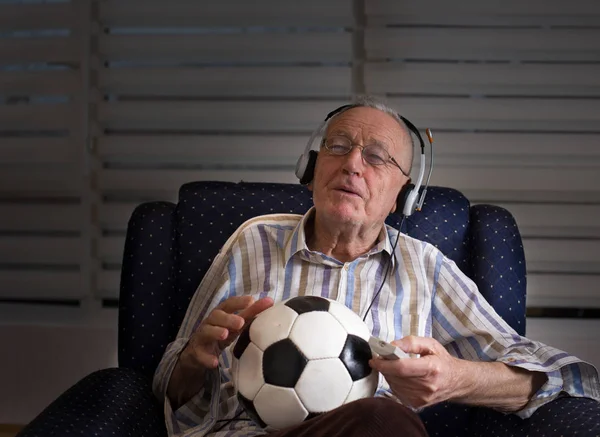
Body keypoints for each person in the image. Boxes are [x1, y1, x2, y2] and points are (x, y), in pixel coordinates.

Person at [153, 96, 600, 437]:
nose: (351, 164)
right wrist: (194, 359)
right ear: (311, 167)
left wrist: (455, 378)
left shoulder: (424, 268)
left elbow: (567, 376)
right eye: (339, 146)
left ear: (405, 194)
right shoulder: (253, 240)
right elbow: (168, 387)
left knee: (381, 418)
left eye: (376, 157)